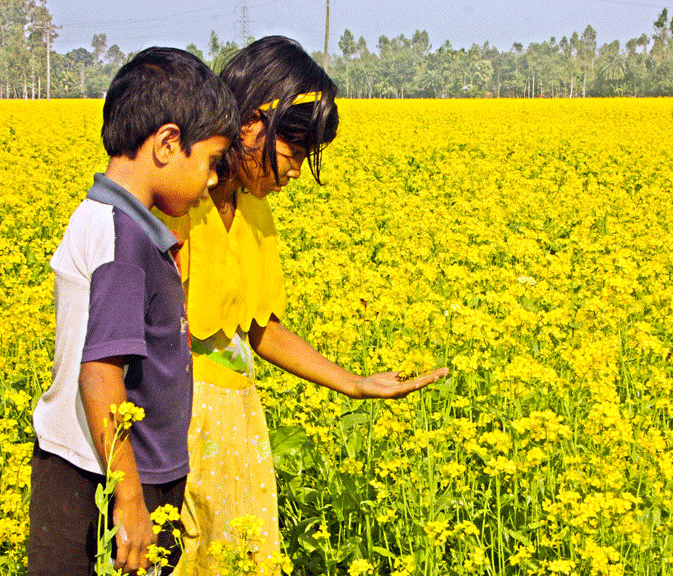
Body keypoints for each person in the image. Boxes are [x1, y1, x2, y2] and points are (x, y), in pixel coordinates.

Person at [156, 36, 448, 576]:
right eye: (293, 154)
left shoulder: (253, 210)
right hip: (173, 424)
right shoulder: (179, 204)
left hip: (237, 421)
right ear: (250, 127)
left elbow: (258, 329)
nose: (294, 172)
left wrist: (355, 383)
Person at [29, 47, 239, 576]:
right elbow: (101, 372)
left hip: (120, 472)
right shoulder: (121, 238)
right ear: (168, 144)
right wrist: (129, 499)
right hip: (106, 479)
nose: (213, 180)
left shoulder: (114, 222)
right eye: (211, 161)